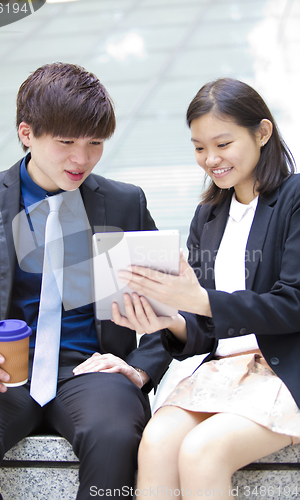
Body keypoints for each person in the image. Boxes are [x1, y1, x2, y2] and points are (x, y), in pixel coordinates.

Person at [0, 62, 171, 500]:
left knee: (116, 435)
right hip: (1, 372)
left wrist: (138, 368)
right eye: (65, 143)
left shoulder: (123, 204)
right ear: (27, 133)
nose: (82, 159)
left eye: (95, 143)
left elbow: (171, 305)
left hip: (92, 369)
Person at [112, 78, 300, 498]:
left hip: (283, 370)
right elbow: (204, 328)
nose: (211, 159)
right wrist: (173, 319)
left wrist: (197, 300)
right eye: (199, 147)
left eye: (222, 143)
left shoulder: (295, 198)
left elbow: (294, 303)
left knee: (201, 451)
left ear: (263, 133)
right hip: (222, 369)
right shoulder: (208, 217)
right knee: (157, 442)